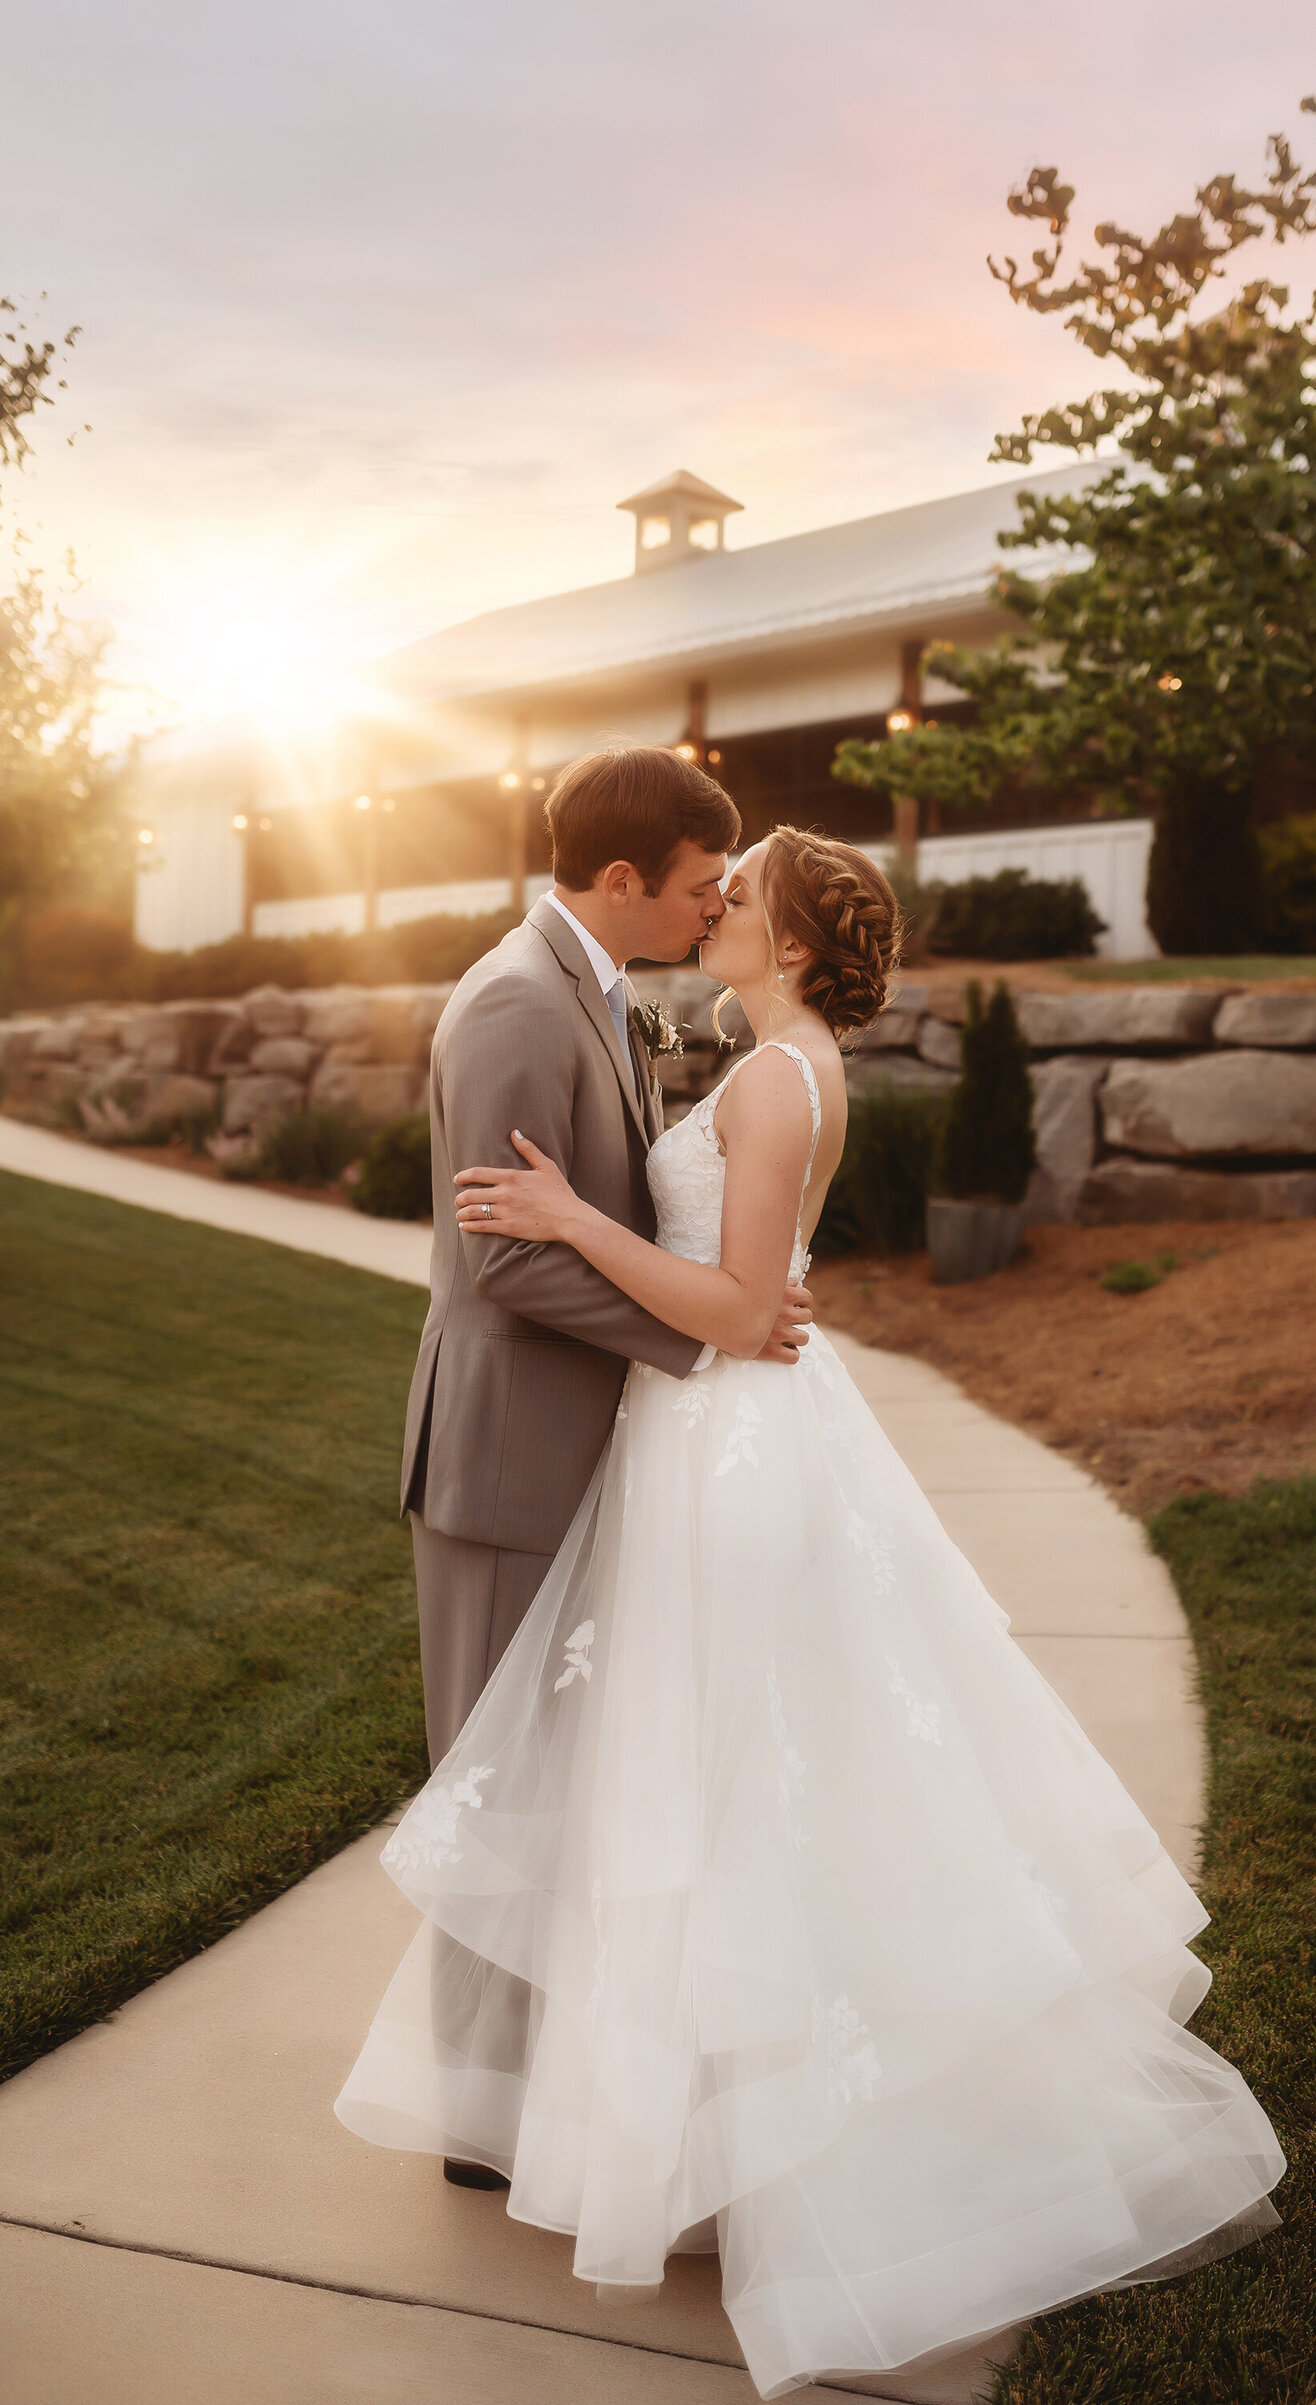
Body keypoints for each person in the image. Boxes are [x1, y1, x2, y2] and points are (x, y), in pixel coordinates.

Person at [337, 824, 1285, 2399]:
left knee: (732, 1790)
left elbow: (725, 1315)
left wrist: (574, 1219)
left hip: (731, 1448)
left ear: (788, 936)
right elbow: (743, 1296)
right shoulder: (779, 1057)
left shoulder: (780, 1079)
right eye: (709, 889)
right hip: (715, 1442)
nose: (716, 911)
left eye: (740, 898)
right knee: (706, 1788)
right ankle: (700, 2134)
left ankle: (759, 2153)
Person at [394, 743, 811, 2188]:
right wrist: (703, 1339)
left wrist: (734, 1297)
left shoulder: (598, 986)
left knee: (556, 1782)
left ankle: (536, 2094)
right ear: (622, 881)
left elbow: (603, 1209)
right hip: (506, 1457)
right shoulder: (518, 1000)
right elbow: (505, 1258)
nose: (712, 908)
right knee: (491, 1795)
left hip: (573, 1441)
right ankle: (474, 2123)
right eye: (699, 887)